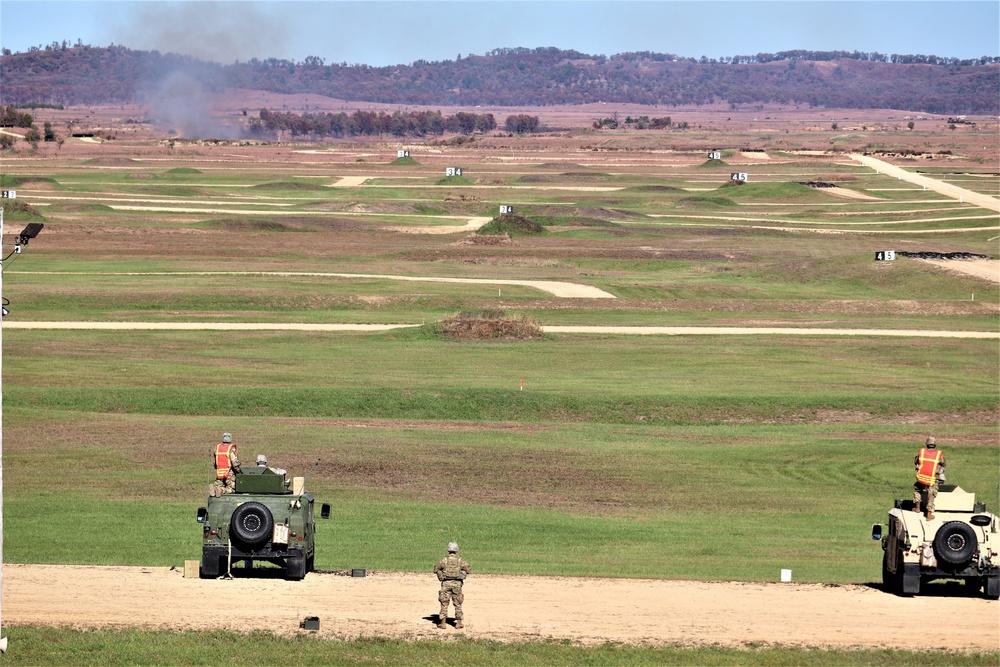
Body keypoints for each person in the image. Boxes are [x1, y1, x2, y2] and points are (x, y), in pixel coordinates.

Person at [433, 541, 471, 629]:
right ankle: (459, 623)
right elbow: (468, 570)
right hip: (457, 585)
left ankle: (443, 623)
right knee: (458, 603)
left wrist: (441, 575)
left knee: (444, 603)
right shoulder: (460, 561)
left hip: (446, 584)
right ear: (457, 550)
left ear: (448, 550)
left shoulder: (444, 560)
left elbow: (436, 569)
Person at [914, 436, 946, 519]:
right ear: (935, 445)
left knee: (918, 489)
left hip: (921, 476)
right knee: (931, 494)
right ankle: (929, 514)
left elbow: (916, 461)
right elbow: (943, 463)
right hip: (932, 477)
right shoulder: (938, 454)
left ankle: (917, 508)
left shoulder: (921, 452)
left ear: (926, 444)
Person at [210, 432, 240, 497]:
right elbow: (234, 462)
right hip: (229, 473)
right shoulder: (231, 448)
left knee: (218, 484)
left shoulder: (217, 448)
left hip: (219, 472)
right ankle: (221, 490)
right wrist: (238, 470)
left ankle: (215, 489)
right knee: (231, 489)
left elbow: (215, 462)